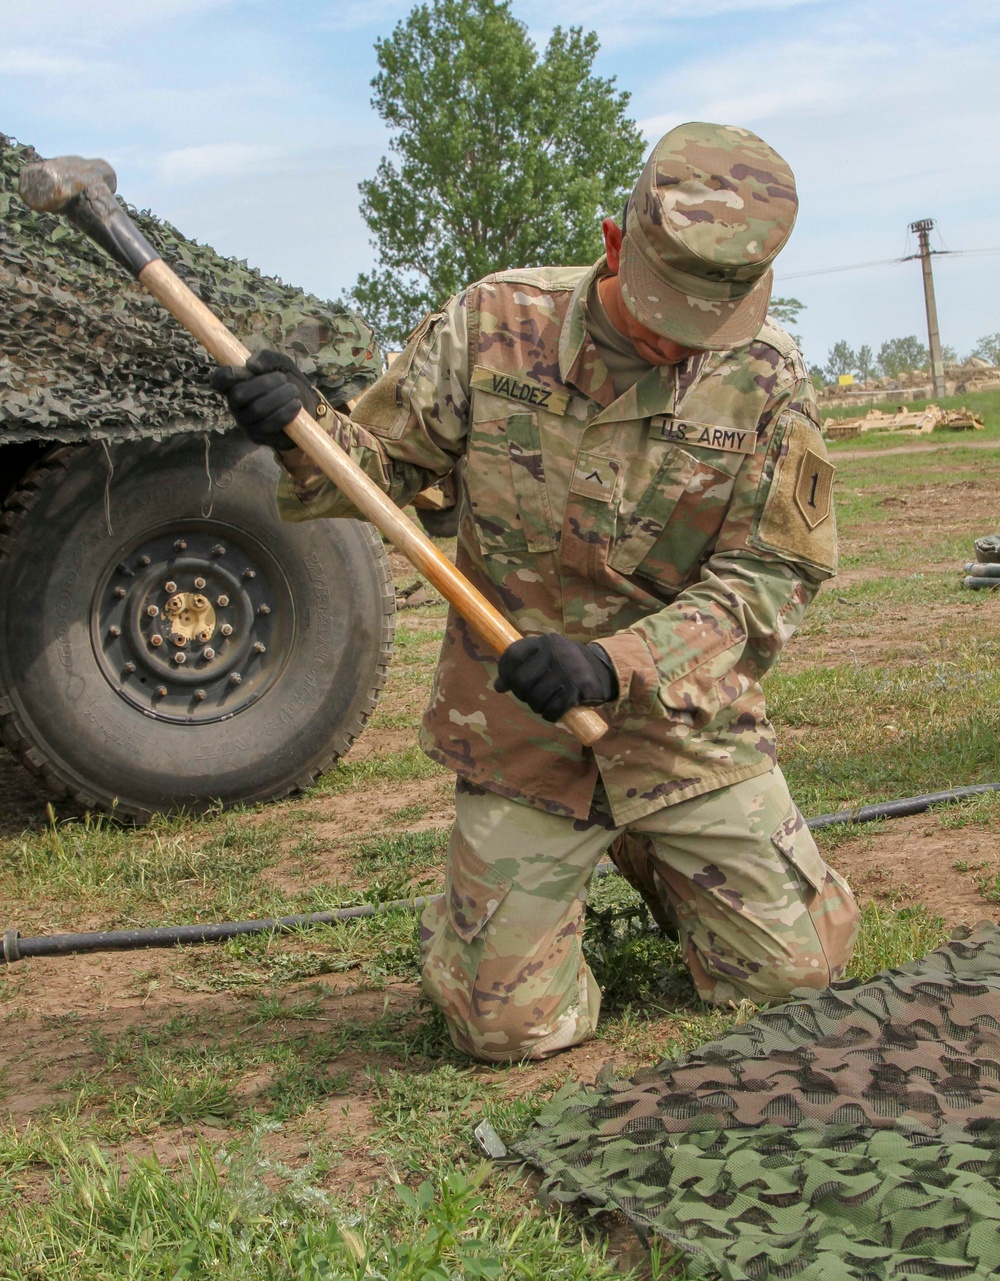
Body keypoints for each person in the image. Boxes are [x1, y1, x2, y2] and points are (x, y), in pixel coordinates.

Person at [212, 121, 860, 1063]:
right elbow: (386, 466)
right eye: (661, 318)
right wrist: (301, 429)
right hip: (525, 734)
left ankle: (651, 845)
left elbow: (771, 576)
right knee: (506, 1029)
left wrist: (615, 664)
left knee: (796, 976)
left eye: (703, 327)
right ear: (612, 244)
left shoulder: (765, 377)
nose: (681, 348)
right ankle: (509, 901)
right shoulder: (492, 323)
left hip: (677, 728)